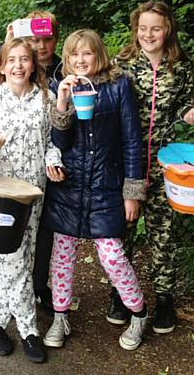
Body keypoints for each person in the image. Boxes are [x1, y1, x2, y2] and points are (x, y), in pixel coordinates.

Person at [41, 29, 149, 351]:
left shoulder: (118, 86)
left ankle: (139, 313)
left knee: (112, 255)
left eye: (86, 53)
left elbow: (132, 140)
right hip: (69, 186)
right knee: (63, 255)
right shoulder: (60, 86)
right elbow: (60, 142)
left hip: (106, 186)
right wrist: (61, 102)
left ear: (98, 54)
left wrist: (132, 191)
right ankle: (60, 316)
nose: (80, 60)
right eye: (73, 54)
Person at [109, 0, 194, 334]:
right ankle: (120, 294)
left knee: (164, 235)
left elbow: (183, 106)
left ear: (168, 31)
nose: (149, 34)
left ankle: (164, 300)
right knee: (123, 231)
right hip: (129, 164)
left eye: (156, 28)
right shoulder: (121, 65)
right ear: (136, 29)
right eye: (143, 27)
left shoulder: (181, 67)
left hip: (167, 165)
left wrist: (189, 113)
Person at [0, 38, 61, 363]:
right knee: (12, 261)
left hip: (35, 192)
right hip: (2, 195)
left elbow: (53, 143)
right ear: (1, 66)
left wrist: (54, 162)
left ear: (33, 64)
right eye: (11, 59)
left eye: (24, 59)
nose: (17, 65)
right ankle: (29, 331)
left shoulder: (46, 98)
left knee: (22, 262)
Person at [4, 10, 62, 313]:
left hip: (53, 162)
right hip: (16, 167)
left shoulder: (65, 71)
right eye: (34, 39)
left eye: (47, 39)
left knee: (45, 228)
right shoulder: (16, 67)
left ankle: (39, 286)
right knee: (16, 230)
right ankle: (17, 289)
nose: (41, 46)